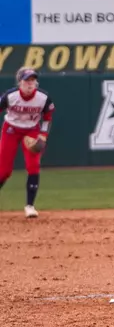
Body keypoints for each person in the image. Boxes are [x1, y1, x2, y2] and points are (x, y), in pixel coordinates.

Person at [0, 68, 55, 218]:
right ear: (20, 83)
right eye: (27, 80)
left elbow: (48, 116)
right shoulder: (10, 96)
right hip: (11, 130)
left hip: (31, 131)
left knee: (33, 166)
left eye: (33, 80)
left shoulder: (43, 98)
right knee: (4, 170)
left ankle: (30, 206)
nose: (30, 84)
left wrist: (43, 135)